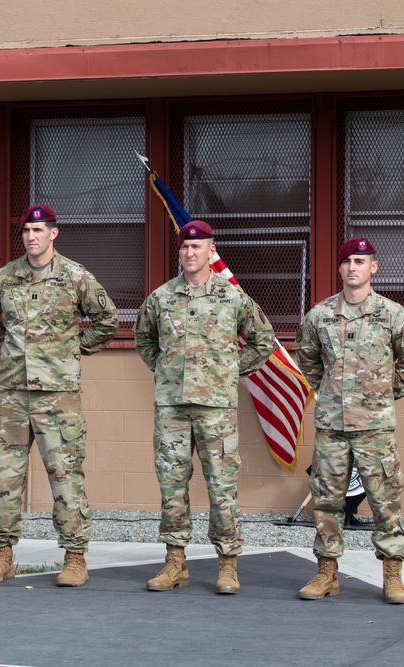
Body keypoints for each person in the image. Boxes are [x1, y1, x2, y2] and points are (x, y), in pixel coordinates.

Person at [0, 203, 118, 587]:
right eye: (26, 232)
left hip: (58, 397)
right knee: (6, 476)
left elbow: (107, 321)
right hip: (12, 394)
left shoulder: (75, 277)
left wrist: (71, 349)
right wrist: (12, 350)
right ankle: (2, 555)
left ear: (54, 233)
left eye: (39, 231)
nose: (31, 237)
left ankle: (74, 558)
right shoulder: (5, 279)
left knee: (65, 476)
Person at [134, 220, 275, 595]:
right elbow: (145, 341)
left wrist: (228, 372)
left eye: (198, 247)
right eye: (184, 248)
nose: (190, 253)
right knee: (171, 487)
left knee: (222, 487)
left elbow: (263, 341)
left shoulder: (233, 298)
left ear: (212, 252)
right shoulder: (161, 298)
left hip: (216, 409)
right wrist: (167, 372)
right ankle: (175, 564)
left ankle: (227, 565)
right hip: (172, 409)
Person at [293, 238, 404, 604]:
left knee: (386, 501)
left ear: (374, 267)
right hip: (332, 426)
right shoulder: (319, 315)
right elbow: (307, 359)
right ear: (339, 269)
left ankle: (393, 576)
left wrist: (383, 395)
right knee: (326, 501)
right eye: (347, 261)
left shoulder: (392, 314)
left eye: (360, 261)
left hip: (375, 427)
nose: (353, 267)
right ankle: (326, 574)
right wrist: (332, 392)